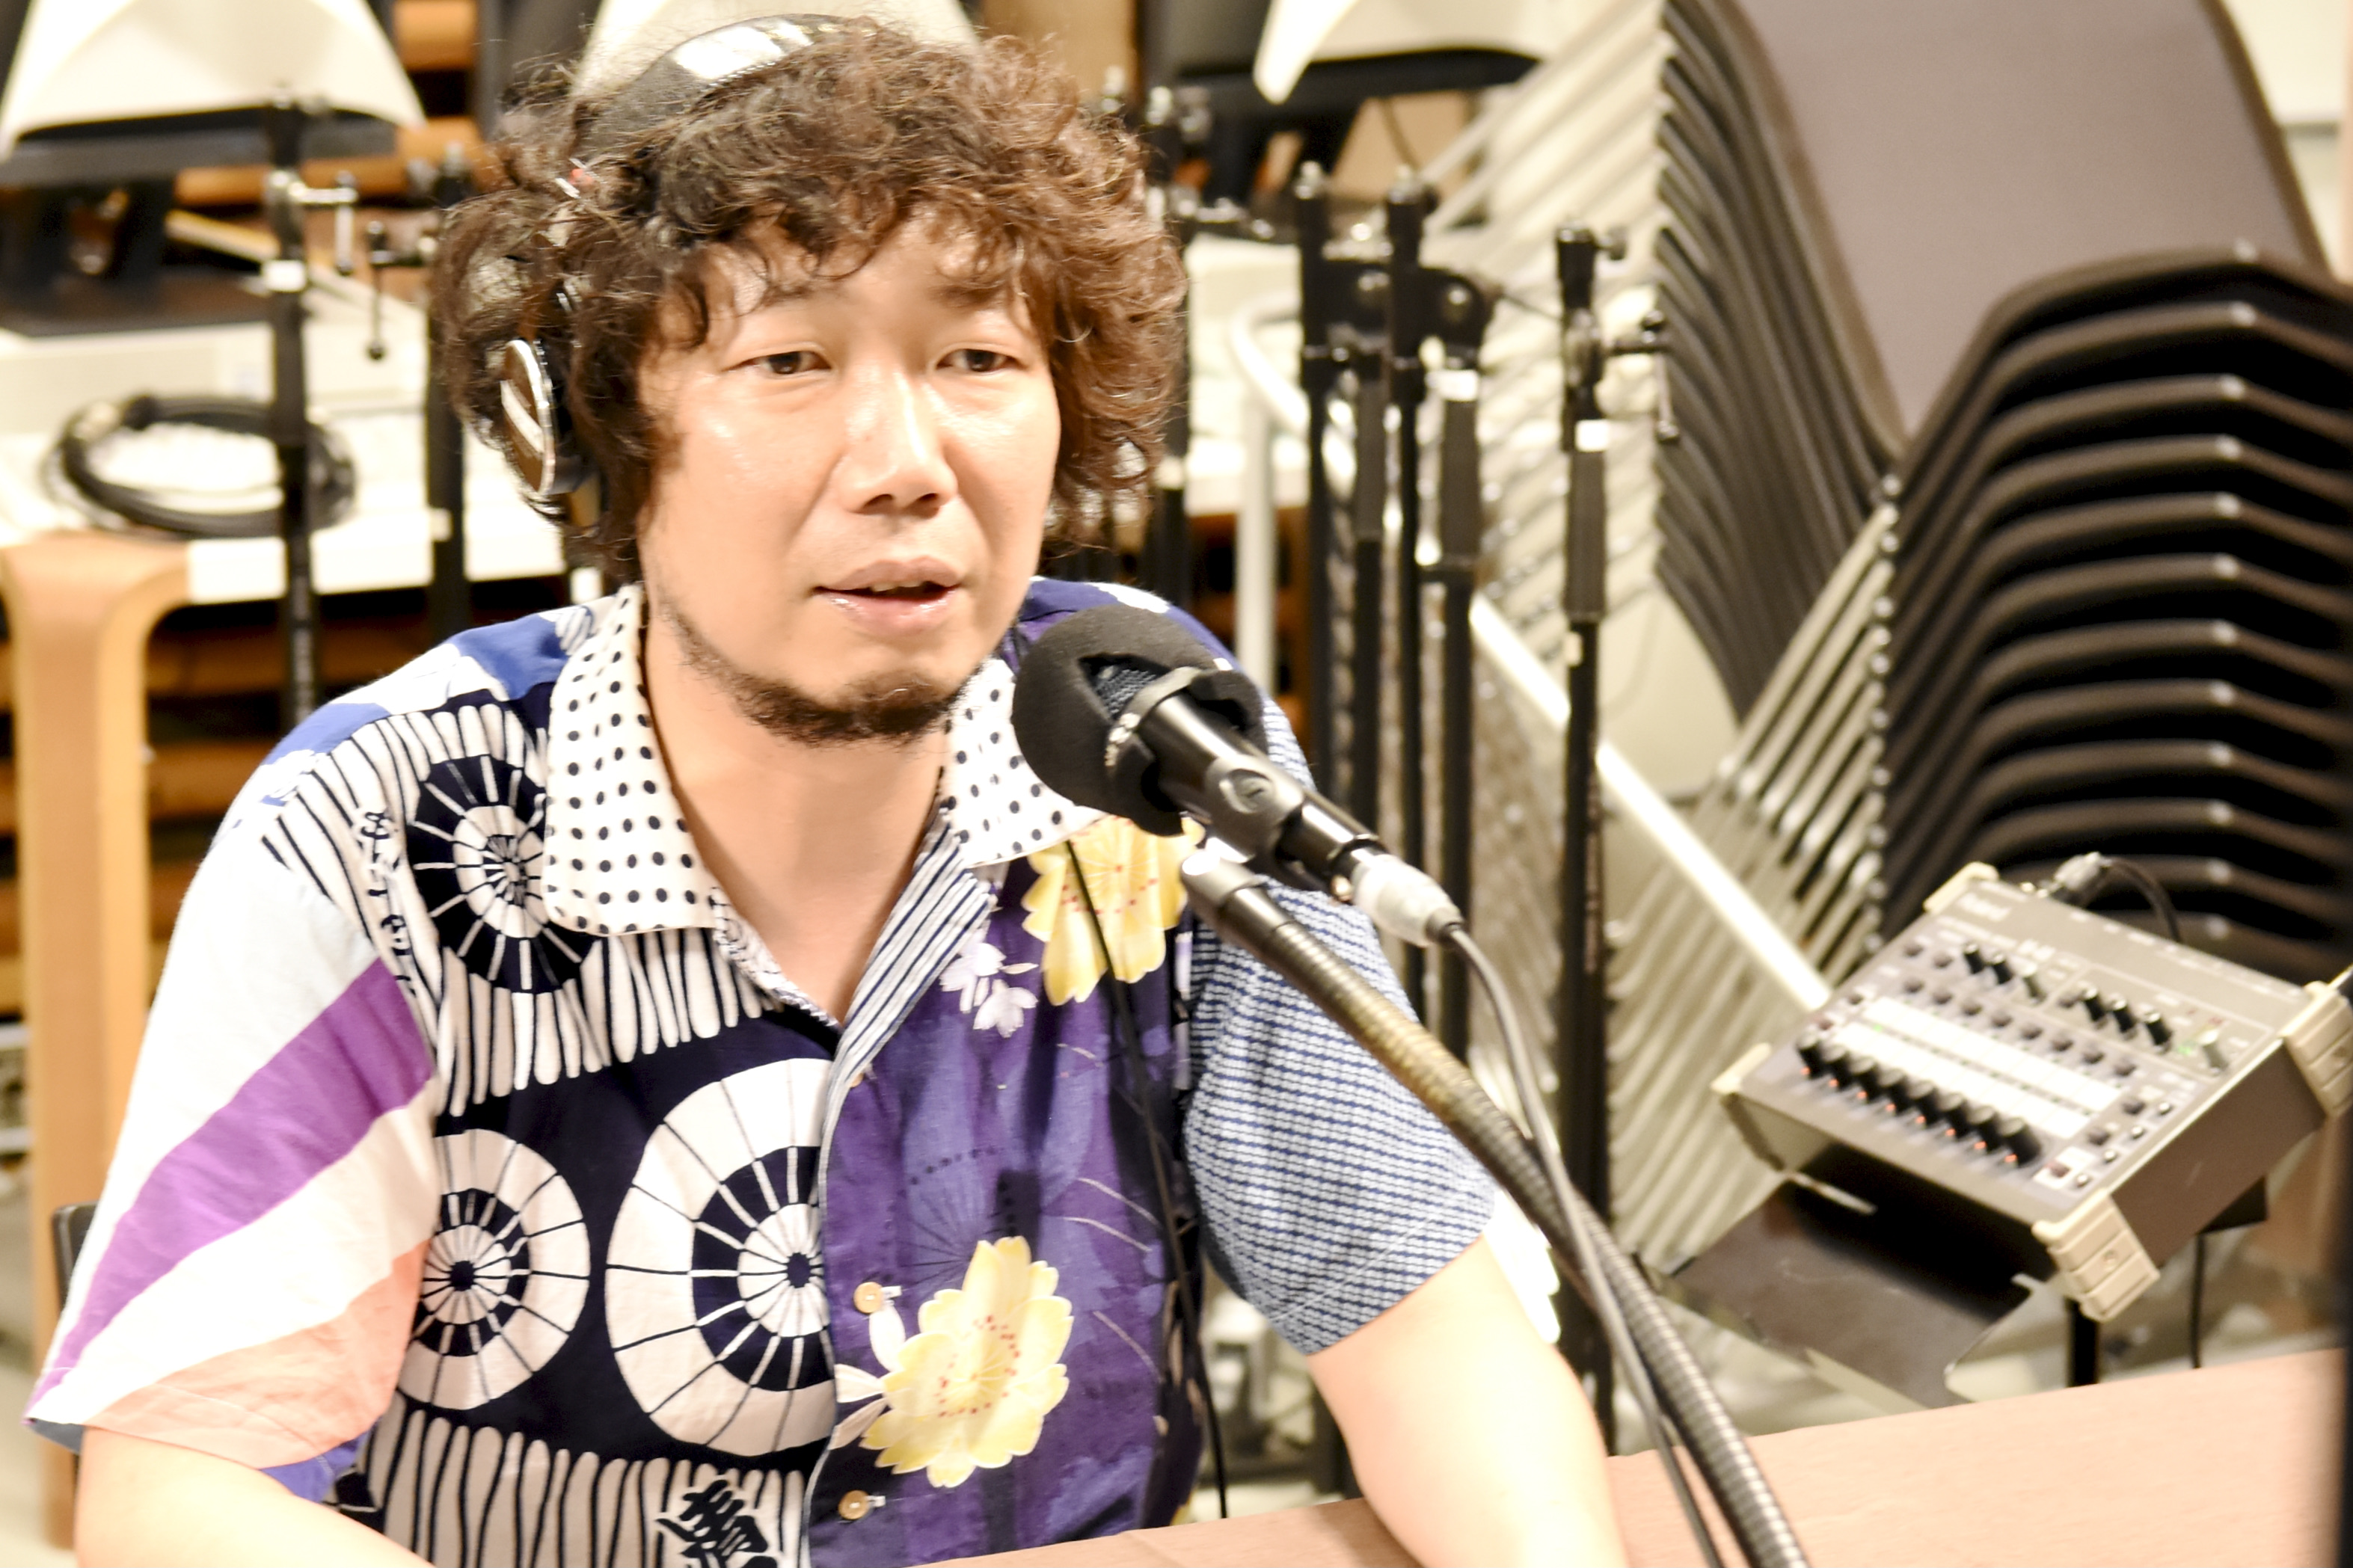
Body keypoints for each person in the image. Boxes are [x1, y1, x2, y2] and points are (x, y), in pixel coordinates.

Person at [31, 16, 1622, 1567]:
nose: (905, 461)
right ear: (595, 426)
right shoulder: (387, 821)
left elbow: (1437, 1342)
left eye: (977, 356)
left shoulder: (1152, 748)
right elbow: (182, 1496)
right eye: (789, 358)